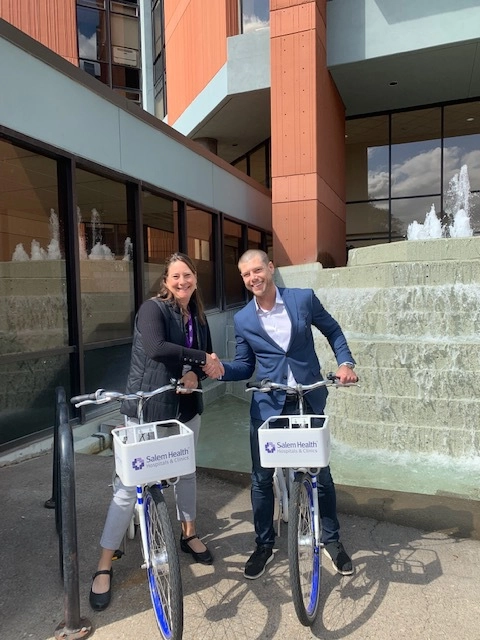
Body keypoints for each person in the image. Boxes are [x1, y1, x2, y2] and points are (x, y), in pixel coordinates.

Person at [203, 249, 358, 580]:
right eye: (246, 274)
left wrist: (345, 363)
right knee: (260, 478)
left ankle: (332, 541)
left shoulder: (302, 300)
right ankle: (263, 545)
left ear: (270, 268)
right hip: (269, 404)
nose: (253, 278)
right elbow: (245, 365)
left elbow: (332, 330)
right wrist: (220, 371)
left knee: (322, 475)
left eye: (257, 270)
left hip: (307, 398)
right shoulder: (243, 319)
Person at [89, 252, 219, 612]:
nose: (182, 282)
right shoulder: (152, 309)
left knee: (187, 474)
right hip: (149, 408)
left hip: (186, 408)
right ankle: (103, 565)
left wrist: (197, 372)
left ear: (195, 278)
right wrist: (202, 359)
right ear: (166, 281)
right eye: (175, 276)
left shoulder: (198, 315)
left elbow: (203, 358)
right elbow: (156, 348)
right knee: (128, 487)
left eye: (187, 275)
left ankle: (188, 534)